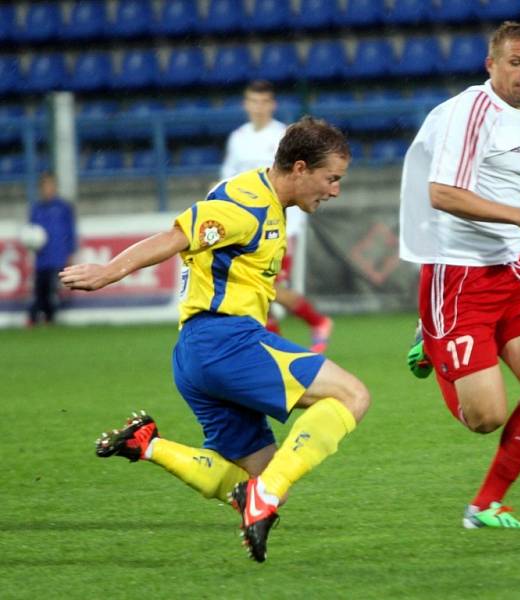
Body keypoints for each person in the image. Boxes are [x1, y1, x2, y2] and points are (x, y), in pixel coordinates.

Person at [60, 117, 370, 563]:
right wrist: (109, 272)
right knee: (352, 395)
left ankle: (147, 443)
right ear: (300, 168)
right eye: (332, 178)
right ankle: (261, 497)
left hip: (195, 355)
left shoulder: (266, 201)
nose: (335, 190)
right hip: (226, 341)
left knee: (261, 477)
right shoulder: (246, 205)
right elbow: (176, 236)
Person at [399, 22, 520, 529]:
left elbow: (512, 190)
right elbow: (442, 192)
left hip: (514, 269)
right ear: (491, 64)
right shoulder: (471, 112)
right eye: (516, 62)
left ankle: (485, 504)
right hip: (460, 273)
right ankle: (434, 341)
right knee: (484, 418)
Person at [221, 79, 333, 352]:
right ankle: (277, 350)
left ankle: (318, 321)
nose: (258, 107)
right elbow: (228, 179)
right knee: (260, 293)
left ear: (273, 105)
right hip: (248, 226)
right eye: (253, 101)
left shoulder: (284, 136)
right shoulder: (238, 139)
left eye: (264, 102)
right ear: (245, 104)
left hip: (283, 224)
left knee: (268, 287)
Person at [27, 172, 77, 326]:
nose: (47, 189)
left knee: (52, 290)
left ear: (54, 187)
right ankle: (35, 319)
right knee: (39, 289)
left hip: (58, 256)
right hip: (42, 257)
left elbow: (70, 231)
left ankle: (47, 319)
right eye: (44, 186)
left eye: (50, 185)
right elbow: (31, 232)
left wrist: (70, 253)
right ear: (40, 188)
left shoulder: (63, 208)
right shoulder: (36, 209)